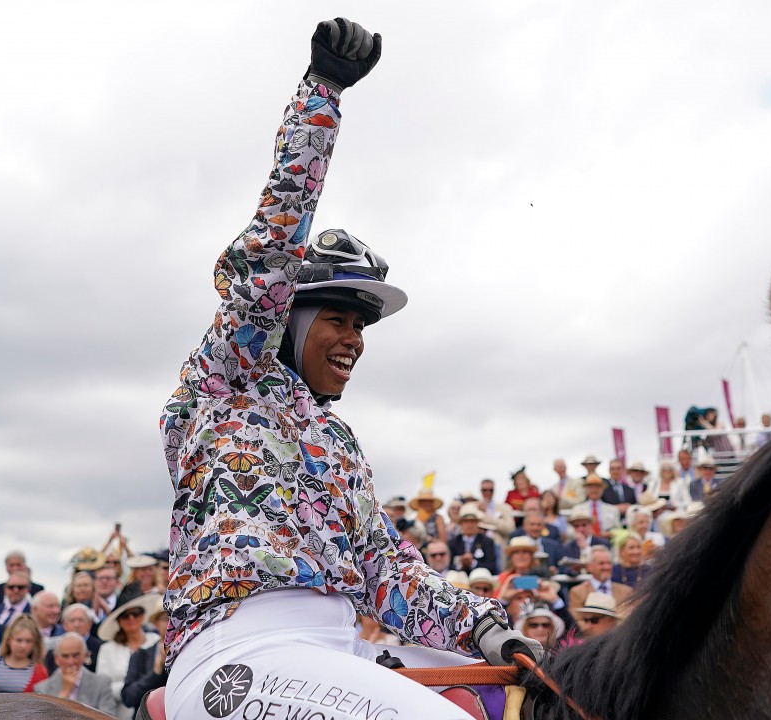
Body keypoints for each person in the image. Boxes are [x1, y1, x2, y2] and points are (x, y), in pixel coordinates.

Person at [157, 20, 539, 719]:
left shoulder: (339, 446)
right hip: (236, 654)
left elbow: (386, 572)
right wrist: (322, 96)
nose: (354, 340)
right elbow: (273, 243)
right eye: (337, 319)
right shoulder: (226, 378)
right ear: (287, 317)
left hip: (335, 650)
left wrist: (484, 623)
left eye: (361, 327)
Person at [96, 594, 159, 718]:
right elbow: (102, 684)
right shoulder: (107, 649)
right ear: (119, 621)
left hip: (153, 710)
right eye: (125, 616)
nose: (131, 618)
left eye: (135, 613)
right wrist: (129, 690)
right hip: (119, 712)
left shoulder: (156, 641)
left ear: (142, 616)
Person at [34, 633, 116, 715]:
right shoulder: (42, 689)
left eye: (75, 655)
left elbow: (108, 716)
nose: (71, 662)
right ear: (56, 658)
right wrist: (64, 692)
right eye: (65, 656)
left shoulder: (102, 683)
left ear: (85, 655)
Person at [120, 606, 169, 718]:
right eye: (166, 618)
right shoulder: (140, 655)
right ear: (156, 624)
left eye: (176, 617)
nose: (172, 622)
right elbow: (128, 697)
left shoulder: (188, 653)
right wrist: (155, 673)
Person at [0, 616, 47, 694]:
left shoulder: (39, 671)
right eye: (19, 640)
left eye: (28, 641)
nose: (23, 646)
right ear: (8, 640)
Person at [567, 547, 635, 610]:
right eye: (601, 563)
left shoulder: (626, 592)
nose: (606, 567)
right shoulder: (577, 592)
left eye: (609, 563)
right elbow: (576, 620)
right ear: (589, 567)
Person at [45, 604, 101, 677]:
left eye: (81, 620)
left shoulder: (100, 648)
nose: (76, 625)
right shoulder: (54, 649)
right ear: (64, 624)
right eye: (72, 620)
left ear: (89, 623)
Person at [447, 503, 500, 573]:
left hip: (480, 578)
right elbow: (448, 566)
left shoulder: (487, 541)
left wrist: (473, 563)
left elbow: (492, 566)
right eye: (466, 522)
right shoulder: (453, 542)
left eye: (472, 521)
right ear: (461, 524)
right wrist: (461, 564)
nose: (469, 525)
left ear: (477, 523)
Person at [476, 478, 516, 543]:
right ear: (480, 491)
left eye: (491, 490)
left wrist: (487, 516)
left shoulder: (505, 508)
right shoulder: (473, 507)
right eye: (484, 490)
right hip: (479, 546)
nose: (488, 493)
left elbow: (510, 529)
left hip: (498, 545)